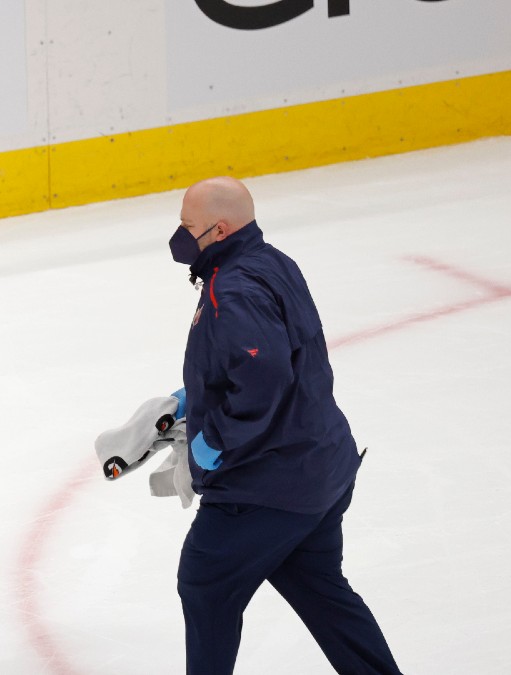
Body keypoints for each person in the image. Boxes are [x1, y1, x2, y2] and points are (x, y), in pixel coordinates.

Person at [164, 176, 402, 674]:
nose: (180, 236)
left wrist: (213, 443)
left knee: (205, 582)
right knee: (319, 588)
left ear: (220, 230)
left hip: (269, 487)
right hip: (321, 469)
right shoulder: (269, 262)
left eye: (188, 226)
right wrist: (198, 398)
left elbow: (263, 378)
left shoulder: (232, 288)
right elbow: (281, 355)